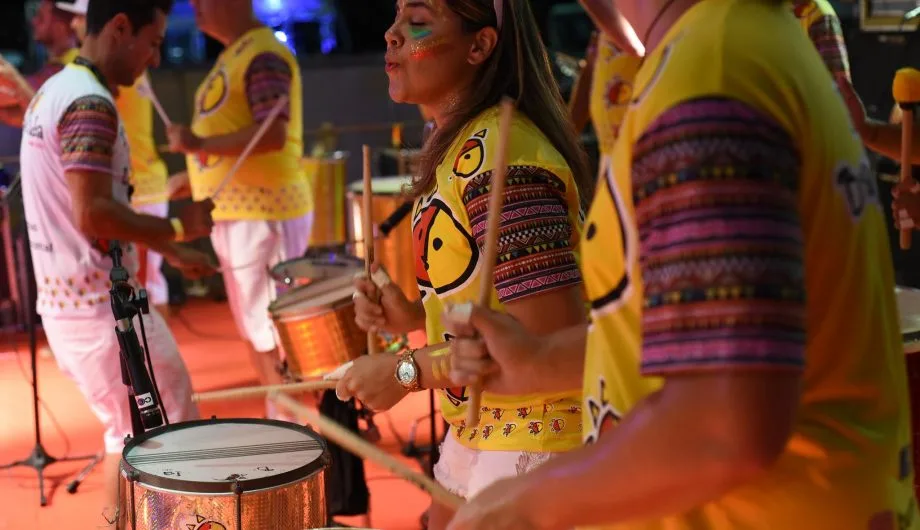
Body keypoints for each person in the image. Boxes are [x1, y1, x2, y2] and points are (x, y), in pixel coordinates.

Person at [444, 0, 920, 529]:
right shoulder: (732, 45)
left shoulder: (709, 76)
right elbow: (709, 333)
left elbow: (723, 425)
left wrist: (527, 500)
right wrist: (538, 358)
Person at [341, 1, 592, 528]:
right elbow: (492, 302)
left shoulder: (505, 155)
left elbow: (547, 343)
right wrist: (411, 317)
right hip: (485, 422)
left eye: (419, 20)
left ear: (479, 46)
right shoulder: (460, 146)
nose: (391, 33)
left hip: (538, 429)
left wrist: (405, 371)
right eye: (395, 15)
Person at [18, 0, 216, 520]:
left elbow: (87, 214)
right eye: (152, 43)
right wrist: (177, 226)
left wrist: (167, 247)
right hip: (100, 315)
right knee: (168, 437)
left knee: (127, 437)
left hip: (76, 308)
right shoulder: (90, 102)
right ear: (121, 28)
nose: (153, 58)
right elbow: (93, 214)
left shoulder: (53, 91)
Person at [166, 0, 313, 419]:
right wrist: (194, 176)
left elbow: (273, 132)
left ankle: (288, 424)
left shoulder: (262, 55)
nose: (195, 7)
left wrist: (198, 146)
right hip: (241, 213)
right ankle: (283, 418)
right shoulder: (239, 54)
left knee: (269, 325)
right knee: (257, 323)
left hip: (263, 212)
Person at [59, 0, 175, 313]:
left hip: (131, 189)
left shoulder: (95, 71)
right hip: (140, 184)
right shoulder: (114, 67)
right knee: (148, 285)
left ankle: (155, 352)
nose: (73, 25)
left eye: (78, 18)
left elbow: (61, 121)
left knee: (142, 287)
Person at [0, 0, 79, 127]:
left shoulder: (75, 70)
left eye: (41, 17)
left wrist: (15, 79)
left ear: (60, 26)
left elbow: (50, 121)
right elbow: (23, 116)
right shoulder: (50, 67)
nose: (34, 21)